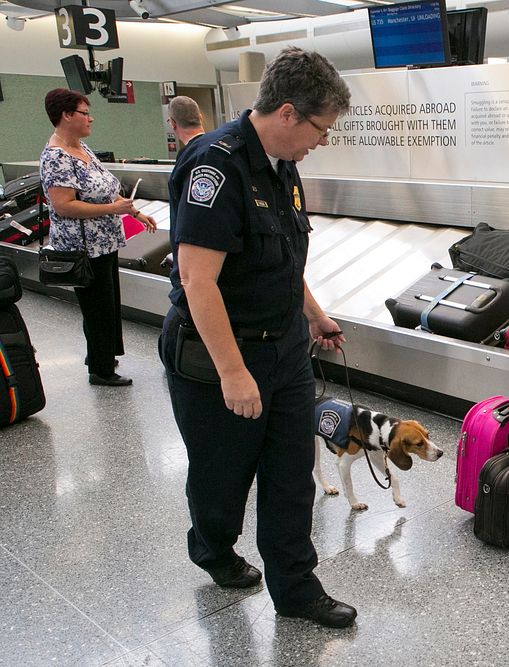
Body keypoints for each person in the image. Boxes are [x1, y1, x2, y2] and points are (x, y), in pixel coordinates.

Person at [159, 47, 354, 629]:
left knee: (292, 472)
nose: (323, 141)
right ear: (289, 113)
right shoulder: (215, 166)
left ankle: (296, 588)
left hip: (286, 349)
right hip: (220, 352)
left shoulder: (282, 163)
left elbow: (283, 255)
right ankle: (215, 548)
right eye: (322, 129)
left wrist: (314, 314)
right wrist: (233, 371)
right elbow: (198, 279)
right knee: (222, 474)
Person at [39, 88, 157, 386]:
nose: (90, 119)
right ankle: (101, 371)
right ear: (66, 115)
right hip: (83, 248)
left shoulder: (81, 148)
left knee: (107, 304)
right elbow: (63, 205)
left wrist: (133, 212)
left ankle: (100, 355)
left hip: (104, 242)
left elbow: (103, 188)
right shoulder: (56, 157)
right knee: (97, 308)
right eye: (84, 113)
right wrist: (113, 208)